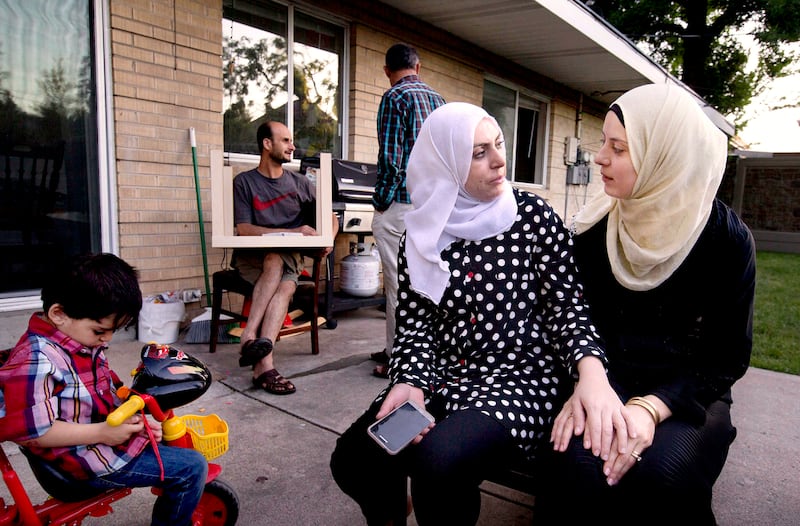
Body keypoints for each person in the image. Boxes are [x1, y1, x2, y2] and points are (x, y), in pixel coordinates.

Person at [330, 102, 618, 525]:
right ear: (445, 164)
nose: (500, 160)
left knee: (439, 462)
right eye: (479, 153)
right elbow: (415, 325)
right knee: (355, 460)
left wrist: (590, 372)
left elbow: (567, 307)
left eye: (498, 145)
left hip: (519, 381)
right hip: (444, 376)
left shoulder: (533, 218)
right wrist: (409, 381)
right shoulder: (423, 231)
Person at [535, 83, 756, 525]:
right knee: (578, 467)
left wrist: (651, 407)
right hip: (604, 382)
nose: (599, 157)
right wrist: (588, 380)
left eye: (618, 148)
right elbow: (569, 318)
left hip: (690, 393)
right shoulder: (595, 230)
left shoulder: (727, 242)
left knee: (662, 478)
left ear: (664, 159)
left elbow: (726, 357)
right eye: (603, 143)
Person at [0, 253, 208, 526]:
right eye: (100, 331)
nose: (107, 339)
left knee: (160, 435)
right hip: (81, 464)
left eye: (114, 330)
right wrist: (104, 432)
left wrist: (133, 422)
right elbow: (33, 432)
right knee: (191, 467)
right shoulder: (38, 360)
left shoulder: (77, 341)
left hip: (91, 443)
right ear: (58, 314)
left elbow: (96, 394)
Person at [232, 120, 337, 395]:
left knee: (282, 270)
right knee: (275, 262)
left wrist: (329, 239)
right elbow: (244, 230)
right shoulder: (244, 182)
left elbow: (331, 217)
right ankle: (262, 361)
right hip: (251, 260)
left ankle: (255, 346)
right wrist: (292, 231)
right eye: (286, 140)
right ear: (267, 144)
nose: (292, 146)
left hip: (289, 260)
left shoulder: (300, 183)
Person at [370, 42, 445, 378]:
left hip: (401, 204)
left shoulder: (394, 97)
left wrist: (381, 201)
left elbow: (391, 159)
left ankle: (398, 359)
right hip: (435, 206)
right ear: (419, 66)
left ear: (387, 71)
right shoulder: (439, 101)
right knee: (428, 281)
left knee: (397, 285)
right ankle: (426, 354)